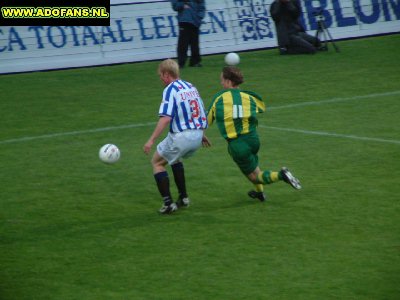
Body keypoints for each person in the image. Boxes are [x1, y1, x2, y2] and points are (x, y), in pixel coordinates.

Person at [206, 66, 301, 201]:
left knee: (255, 176)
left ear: (228, 81)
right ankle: (260, 193)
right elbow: (261, 107)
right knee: (253, 167)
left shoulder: (219, 98)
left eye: (222, 80)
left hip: (237, 144)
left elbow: (206, 121)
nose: (221, 83)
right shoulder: (250, 97)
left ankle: (281, 175)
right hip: (253, 139)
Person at [143, 59, 208, 214]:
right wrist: (202, 134)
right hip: (197, 136)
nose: (160, 78)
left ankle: (168, 204)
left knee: (157, 162)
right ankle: (183, 198)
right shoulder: (191, 86)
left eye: (160, 75)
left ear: (166, 74)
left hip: (182, 137)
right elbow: (200, 110)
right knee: (174, 158)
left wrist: (151, 140)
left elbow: (165, 118)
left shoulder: (170, 90)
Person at [171, 0, 206, 68]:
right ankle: (181, 63)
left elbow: (202, 4)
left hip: (195, 21)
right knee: (183, 44)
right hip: (184, 20)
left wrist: (199, 16)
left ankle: (195, 62)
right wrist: (183, 4)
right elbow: (175, 6)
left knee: (194, 44)